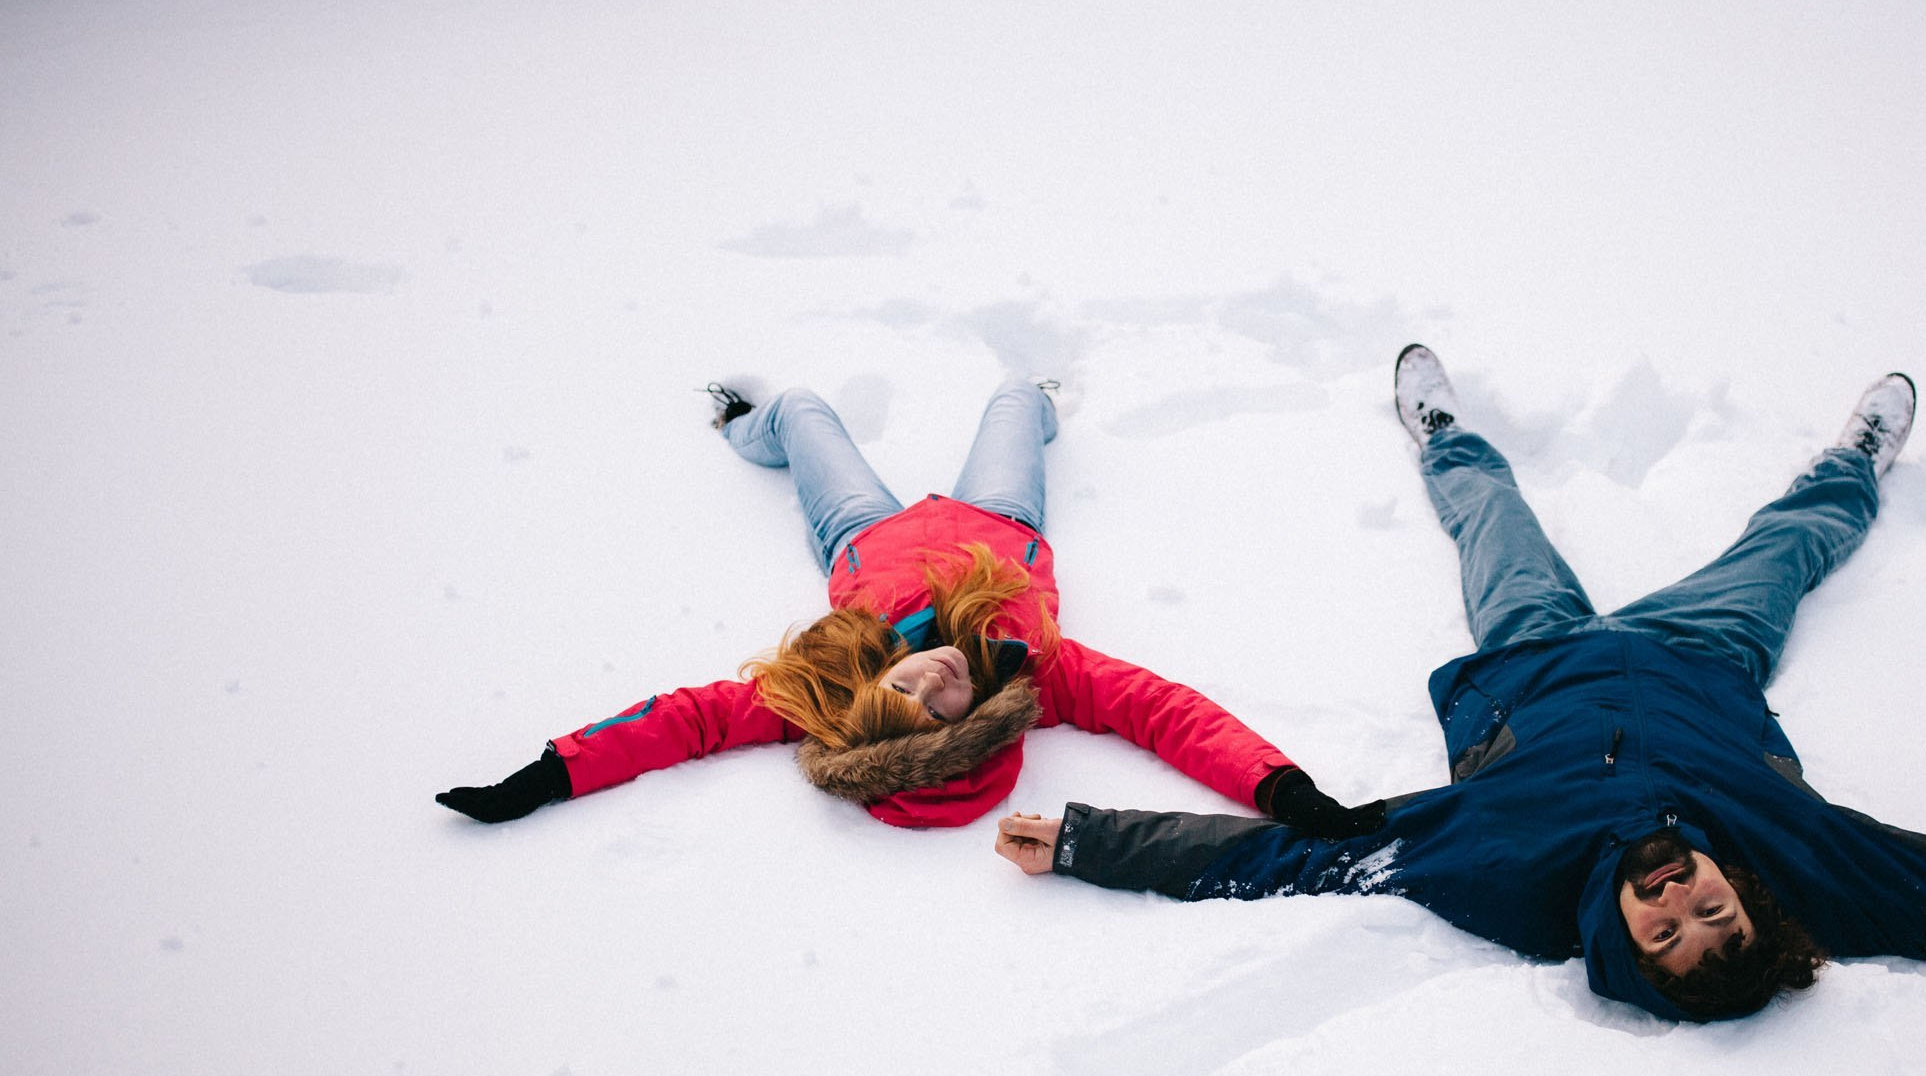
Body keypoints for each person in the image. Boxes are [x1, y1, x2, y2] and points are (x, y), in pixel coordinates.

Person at [992, 347, 1926, 1021]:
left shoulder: (1493, 872)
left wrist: (1103, 841)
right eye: (1714, 919)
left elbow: (1286, 863)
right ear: (1754, 909)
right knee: (1790, 545)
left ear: (1618, 946)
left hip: (1535, 661)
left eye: (1664, 932)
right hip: (1698, 656)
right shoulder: (1812, 863)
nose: (1683, 900)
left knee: (1491, 523)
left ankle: (1444, 432)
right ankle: (1858, 454)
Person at [438, 376, 1383, 835]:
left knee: (804, 409)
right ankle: (1048, 402)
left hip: (862, 531)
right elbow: (1169, 715)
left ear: (868, 694)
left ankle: (743, 425)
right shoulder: (1038, 674)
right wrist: (1281, 789)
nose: (937, 675)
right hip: (997, 515)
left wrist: (544, 776)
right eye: (949, 702)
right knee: (1016, 397)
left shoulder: (823, 689)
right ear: (985, 718)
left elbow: (679, 724)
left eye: (910, 690)